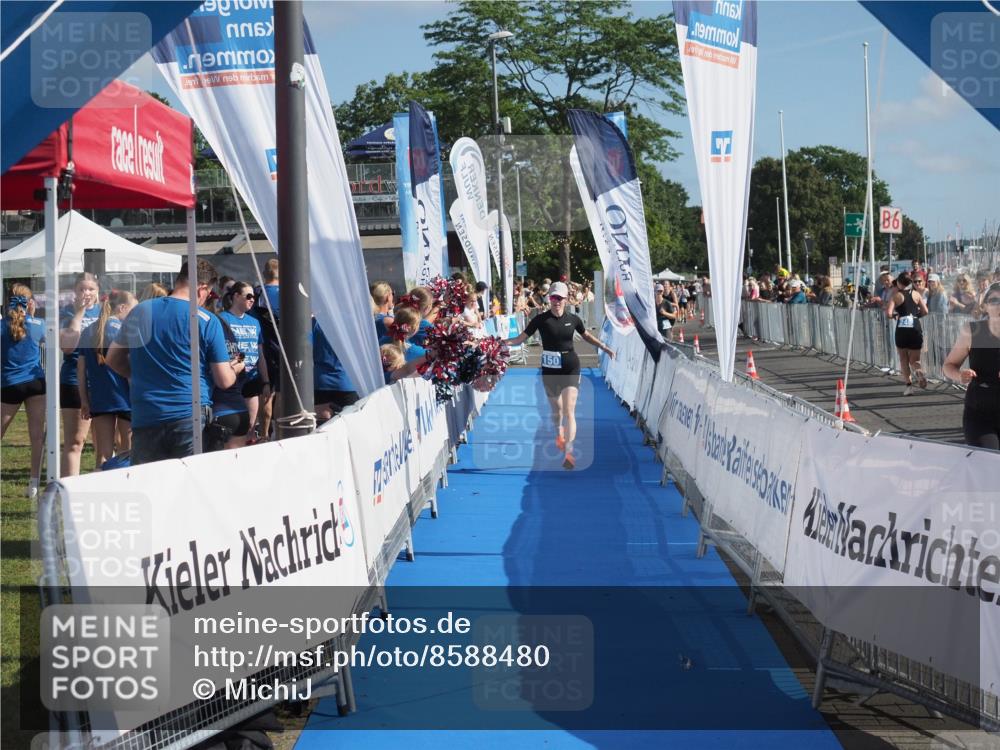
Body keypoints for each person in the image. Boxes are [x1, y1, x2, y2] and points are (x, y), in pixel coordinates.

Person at [106, 260, 237, 465]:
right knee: (190, 486)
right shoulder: (207, 320)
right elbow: (224, 380)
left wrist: (137, 374)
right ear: (201, 288)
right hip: (189, 414)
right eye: (209, 294)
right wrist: (235, 369)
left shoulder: (140, 311)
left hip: (146, 413)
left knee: (150, 487)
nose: (206, 299)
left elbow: (113, 358)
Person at [504, 281, 614, 470]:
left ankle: (569, 452)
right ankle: (559, 434)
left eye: (560, 298)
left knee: (569, 410)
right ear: (549, 299)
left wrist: (604, 347)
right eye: (553, 297)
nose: (556, 301)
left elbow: (586, 335)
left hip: (571, 366)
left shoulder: (573, 319)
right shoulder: (540, 320)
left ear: (566, 300)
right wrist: (501, 343)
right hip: (549, 370)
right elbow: (520, 339)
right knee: (557, 411)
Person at [78, 289, 136, 469]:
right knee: (127, 452)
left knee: (103, 453)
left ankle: (99, 482)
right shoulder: (124, 331)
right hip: (126, 398)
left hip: (100, 397)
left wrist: (84, 400)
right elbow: (130, 368)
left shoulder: (88, 330)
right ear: (122, 308)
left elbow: (81, 370)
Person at [943, 282, 1000, 449]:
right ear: (985, 306)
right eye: (994, 300)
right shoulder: (973, 331)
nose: (999, 305)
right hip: (980, 412)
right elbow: (948, 365)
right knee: (988, 462)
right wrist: (959, 375)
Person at [1, 285, 46, 498]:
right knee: (37, 436)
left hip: (10, 384)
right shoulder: (39, 325)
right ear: (30, 303)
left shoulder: (2, 326)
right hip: (35, 382)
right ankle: (34, 483)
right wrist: (33, 316)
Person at [58, 272, 101, 476]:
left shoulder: (104, 312)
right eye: (82, 289)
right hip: (73, 381)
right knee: (76, 440)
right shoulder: (66, 313)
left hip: (102, 382)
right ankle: (70, 492)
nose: (86, 293)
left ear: (98, 292)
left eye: (91, 289)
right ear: (75, 291)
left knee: (104, 441)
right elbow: (67, 347)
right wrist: (79, 313)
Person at [219, 282, 270, 444]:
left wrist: (266, 380)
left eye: (254, 297)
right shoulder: (222, 319)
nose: (252, 300)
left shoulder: (254, 322)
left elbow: (260, 353)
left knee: (250, 425)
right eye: (248, 296)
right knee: (236, 426)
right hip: (232, 378)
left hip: (252, 378)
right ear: (235, 296)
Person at [886, 272, 929, 395]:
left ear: (899, 283)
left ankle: (909, 386)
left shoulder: (896, 296)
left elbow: (888, 313)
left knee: (903, 358)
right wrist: (916, 316)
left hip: (902, 328)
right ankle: (919, 372)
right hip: (915, 326)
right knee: (915, 360)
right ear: (910, 283)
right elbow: (925, 311)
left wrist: (895, 315)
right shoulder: (916, 294)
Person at [254, 258, 281, 440]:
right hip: (285, 350)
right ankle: (279, 433)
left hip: (262, 348)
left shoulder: (256, 294)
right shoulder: (287, 293)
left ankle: (264, 435)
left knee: (266, 394)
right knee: (280, 392)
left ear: (264, 273)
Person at [313, 318, 359, 422]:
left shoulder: (316, 323)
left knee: (321, 428)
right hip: (346, 383)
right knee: (350, 425)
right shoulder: (352, 323)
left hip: (321, 382)